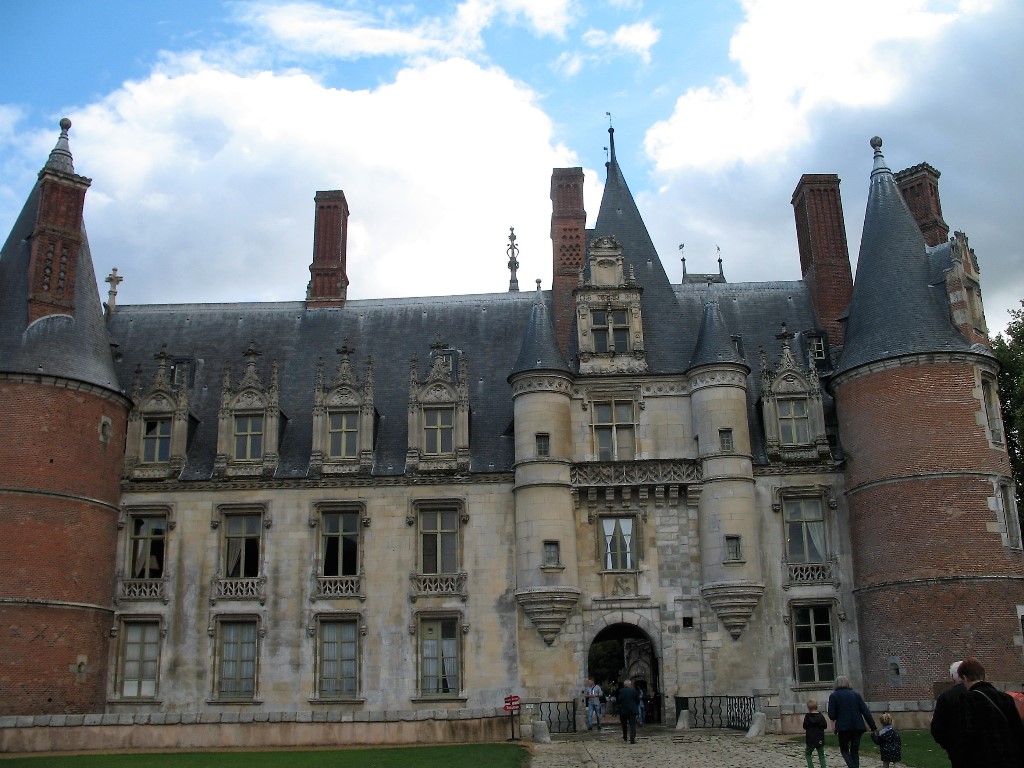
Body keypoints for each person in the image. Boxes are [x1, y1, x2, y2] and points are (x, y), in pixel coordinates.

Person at [930, 656, 1024, 768]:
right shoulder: (1006, 698)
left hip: (982, 760)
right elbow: (1018, 731)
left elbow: (967, 735)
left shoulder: (968, 699)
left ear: (964, 678)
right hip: (1008, 759)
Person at [827, 675, 877, 768]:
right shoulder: (856, 695)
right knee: (854, 751)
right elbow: (866, 712)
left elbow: (832, 715)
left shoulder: (834, 696)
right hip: (858, 726)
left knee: (844, 750)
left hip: (843, 727)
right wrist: (873, 727)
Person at [931, 659, 966, 767]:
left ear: (953, 677)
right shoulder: (980, 693)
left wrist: (948, 745)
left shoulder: (946, 697)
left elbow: (937, 728)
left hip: (958, 750)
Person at [803, 698, 828, 768]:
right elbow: (825, 726)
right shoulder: (821, 716)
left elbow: (804, 726)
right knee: (821, 755)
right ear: (817, 706)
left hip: (810, 739)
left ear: (808, 708)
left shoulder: (807, 717)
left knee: (808, 754)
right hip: (820, 738)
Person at [616, 678, 641, 744]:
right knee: (632, 725)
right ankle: (632, 738)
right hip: (632, 710)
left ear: (624, 685)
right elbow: (637, 700)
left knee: (624, 724)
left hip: (623, 710)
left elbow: (618, 700)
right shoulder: (634, 691)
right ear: (630, 685)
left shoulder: (621, 691)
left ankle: (625, 737)